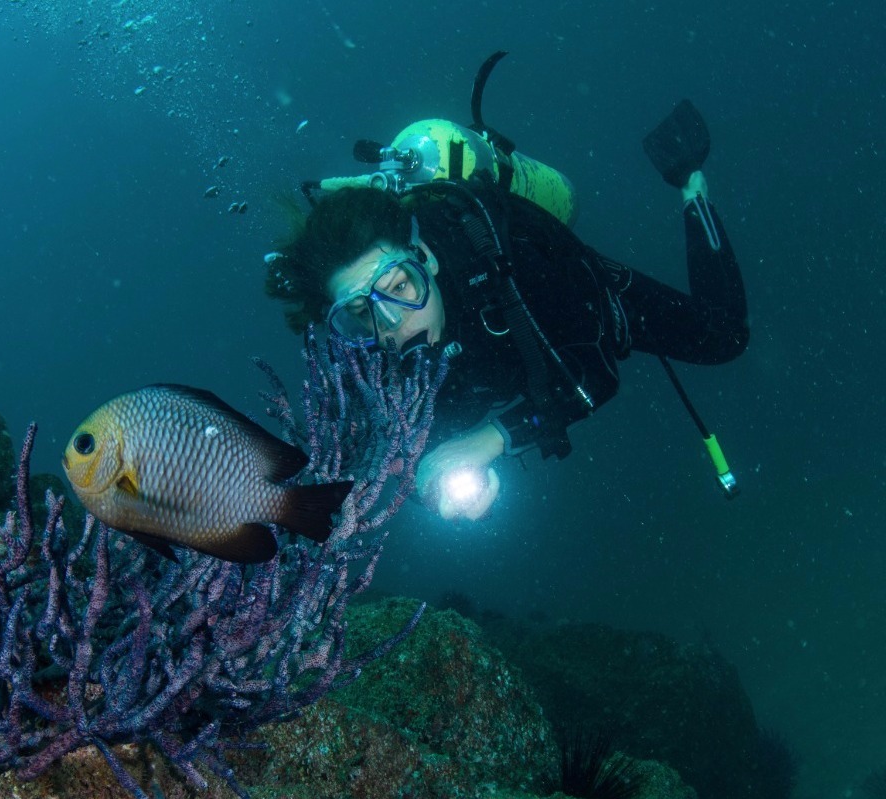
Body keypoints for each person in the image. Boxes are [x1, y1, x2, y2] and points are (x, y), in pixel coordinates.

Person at [264, 97, 749, 521]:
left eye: (399, 286)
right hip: (497, 366)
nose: (392, 322)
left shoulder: (502, 255)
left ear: (425, 259)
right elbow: (397, 454)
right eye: (359, 313)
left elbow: (595, 376)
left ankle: (691, 186)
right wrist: (431, 484)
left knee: (724, 338)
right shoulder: (367, 360)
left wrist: (493, 439)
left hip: (563, 297)